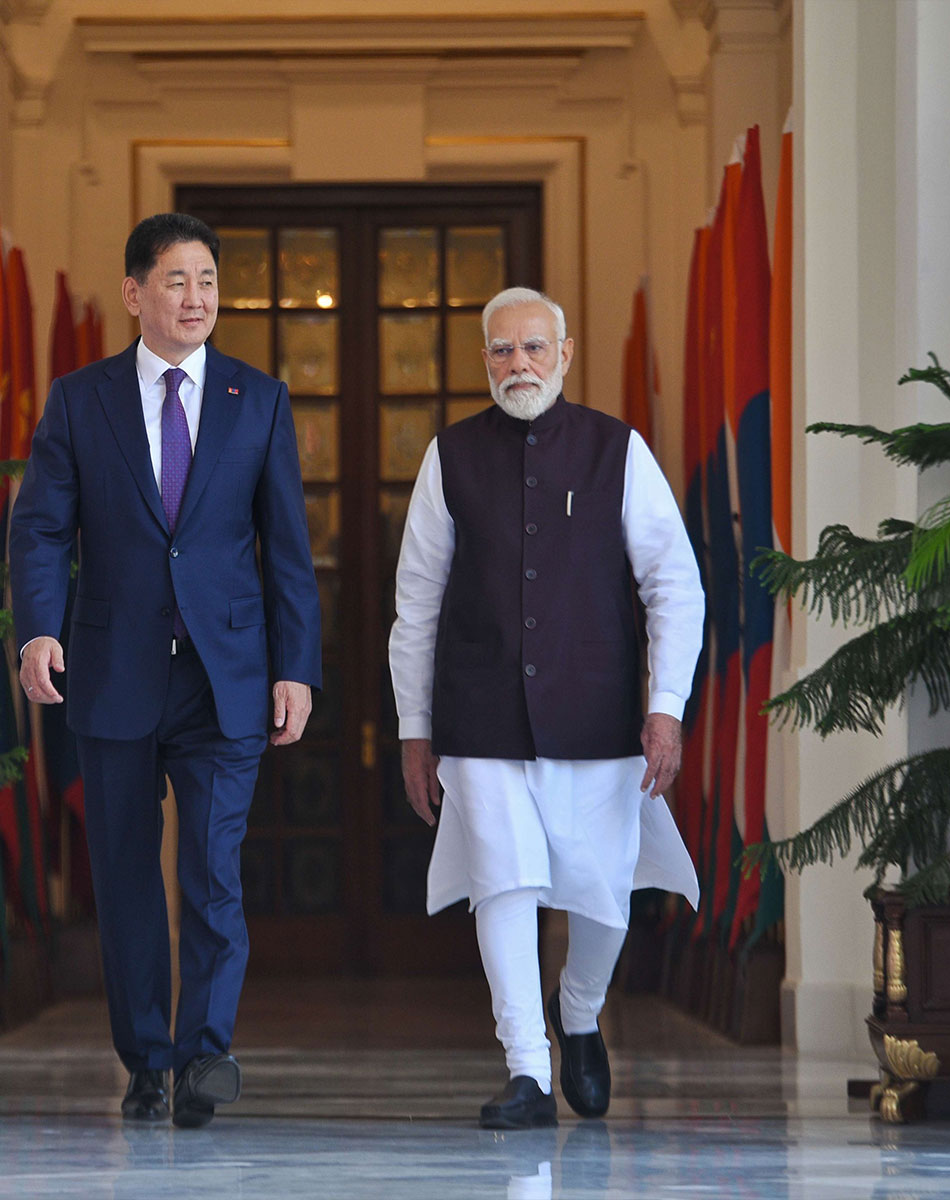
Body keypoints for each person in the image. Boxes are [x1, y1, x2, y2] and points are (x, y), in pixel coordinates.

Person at [10, 213, 322, 1129]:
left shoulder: (257, 400)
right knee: (127, 879)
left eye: (209, 284)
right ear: (136, 293)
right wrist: (37, 632)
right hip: (110, 670)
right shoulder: (81, 399)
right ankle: (146, 1059)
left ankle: (206, 1055)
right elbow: (40, 529)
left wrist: (294, 667)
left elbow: (288, 551)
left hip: (226, 675)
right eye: (179, 282)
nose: (197, 300)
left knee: (215, 875)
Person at [388, 287, 703, 1129]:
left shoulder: (618, 451)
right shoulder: (449, 456)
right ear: (484, 361)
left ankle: (580, 1009)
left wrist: (665, 704)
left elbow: (674, 582)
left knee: (603, 893)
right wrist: (414, 731)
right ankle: (526, 1067)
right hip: (479, 716)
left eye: (532, 348)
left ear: (565, 354)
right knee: (504, 881)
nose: (516, 364)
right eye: (500, 350)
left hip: (597, 716)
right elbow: (415, 602)